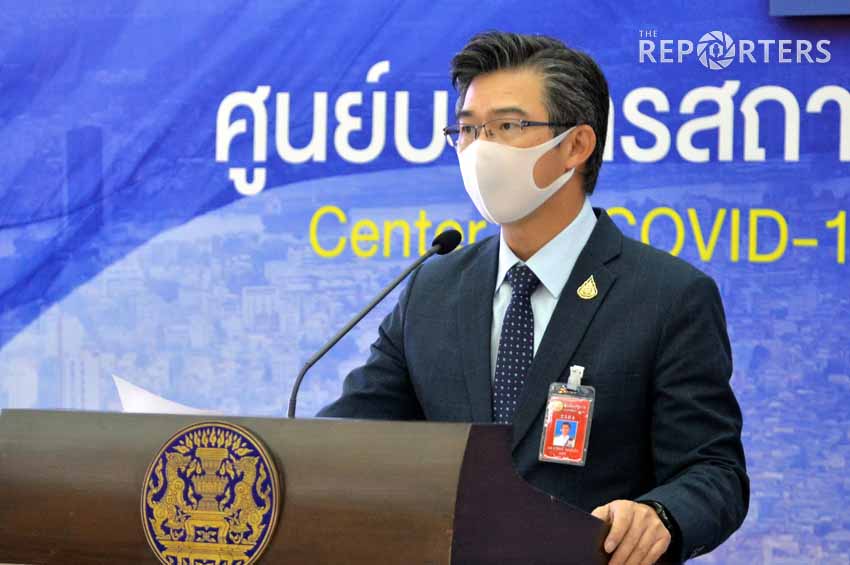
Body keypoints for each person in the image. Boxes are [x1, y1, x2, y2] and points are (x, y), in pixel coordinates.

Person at [318, 31, 748, 564]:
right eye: (468, 129)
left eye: (507, 126)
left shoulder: (668, 297)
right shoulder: (434, 288)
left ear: (576, 146)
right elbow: (348, 439)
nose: (480, 149)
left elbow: (714, 471)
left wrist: (659, 514)